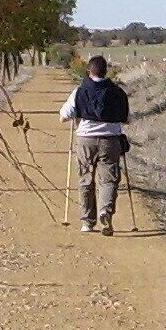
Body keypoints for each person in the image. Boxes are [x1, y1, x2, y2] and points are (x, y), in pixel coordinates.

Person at [59, 54, 131, 234]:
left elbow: (63, 117)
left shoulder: (79, 91)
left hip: (85, 140)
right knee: (109, 179)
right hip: (110, 140)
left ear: (88, 71)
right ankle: (105, 211)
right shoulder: (117, 92)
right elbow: (127, 119)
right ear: (106, 72)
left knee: (86, 178)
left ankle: (87, 221)